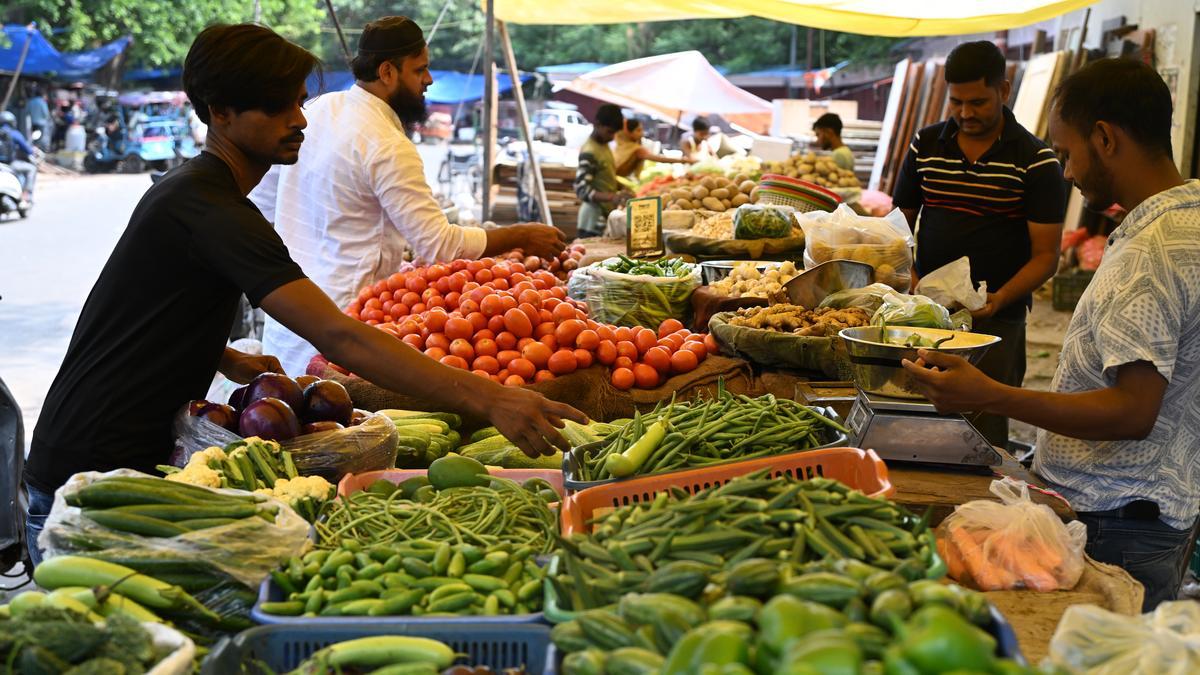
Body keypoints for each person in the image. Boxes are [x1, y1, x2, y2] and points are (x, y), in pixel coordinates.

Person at [23, 23, 584, 567]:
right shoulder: (211, 210)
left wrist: (222, 355)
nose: (298, 120)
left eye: (298, 102)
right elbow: (338, 334)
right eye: (277, 107)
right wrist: (487, 398)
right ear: (220, 112)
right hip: (93, 474)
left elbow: (145, 307)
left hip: (106, 455)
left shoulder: (194, 192)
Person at [903, 58, 1200, 610]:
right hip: (1155, 508)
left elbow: (1133, 412)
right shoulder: (1189, 218)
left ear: (1105, 138)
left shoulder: (1152, 254)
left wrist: (991, 394)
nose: (1064, 172)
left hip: (1117, 520)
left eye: (1067, 154)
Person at [251, 16, 566, 377]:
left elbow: (263, 204)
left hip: (289, 321)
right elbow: (438, 245)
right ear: (387, 72)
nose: (428, 80)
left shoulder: (318, 110)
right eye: (420, 70)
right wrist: (522, 235)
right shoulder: (386, 144)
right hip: (343, 331)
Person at [891, 40, 1067, 447]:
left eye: (979, 102)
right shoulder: (925, 146)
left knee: (983, 432)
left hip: (997, 322)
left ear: (1004, 92)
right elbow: (898, 226)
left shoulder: (1036, 161)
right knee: (917, 420)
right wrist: (912, 276)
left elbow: (1046, 257)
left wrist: (1000, 299)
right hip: (925, 315)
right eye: (957, 102)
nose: (966, 113)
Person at [574, 103, 630, 237]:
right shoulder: (589, 152)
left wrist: (622, 188)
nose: (612, 137)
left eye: (615, 133)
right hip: (592, 220)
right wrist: (613, 196)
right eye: (610, 132)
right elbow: (582, 190)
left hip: (603, 215)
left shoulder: (603, 146)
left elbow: (604, 176)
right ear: (597, 124)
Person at [613, 117, 692, 179]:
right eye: (638, 130)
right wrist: (684, 160)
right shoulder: (636, 149)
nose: (642, 133)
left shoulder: (623, 144)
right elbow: (660, 159)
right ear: (628, 133)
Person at [0, 111, 38, 204]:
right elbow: (27, 150)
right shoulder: (14, 134)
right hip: (10, 164)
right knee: (32, 169)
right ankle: (26, 194)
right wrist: (34, 150)